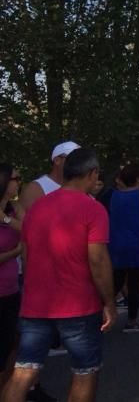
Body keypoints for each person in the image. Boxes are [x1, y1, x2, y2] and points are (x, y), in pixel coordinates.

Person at [3, 148, 117, 402]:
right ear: (92, 173)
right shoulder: (92, 209)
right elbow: (97, 260)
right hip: (78, 304)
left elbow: (27, 255)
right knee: (84, 372)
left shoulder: (36, 208)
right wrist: (108, 301)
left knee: (23, 372)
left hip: (36, 303)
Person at [108, 162, 139, 332]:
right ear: (138, 178)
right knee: (135, 284)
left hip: (116, 245)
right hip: (137, 245)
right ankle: (132, 320)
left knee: (115, 281)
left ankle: (99, 311)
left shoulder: (113, 196)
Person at [0, 163, 25, 391]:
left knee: (10, 343)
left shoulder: (14, 209)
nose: (19, 182)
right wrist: (16, 252)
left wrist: (7, 219)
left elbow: (31, 231)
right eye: (15, 178)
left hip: (11, 288)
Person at [17, 142, 80, 212]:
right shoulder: (35, 189)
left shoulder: (81, 188)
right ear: (57, 160)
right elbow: (23, 221)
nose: (79, 164)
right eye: (73, 159)